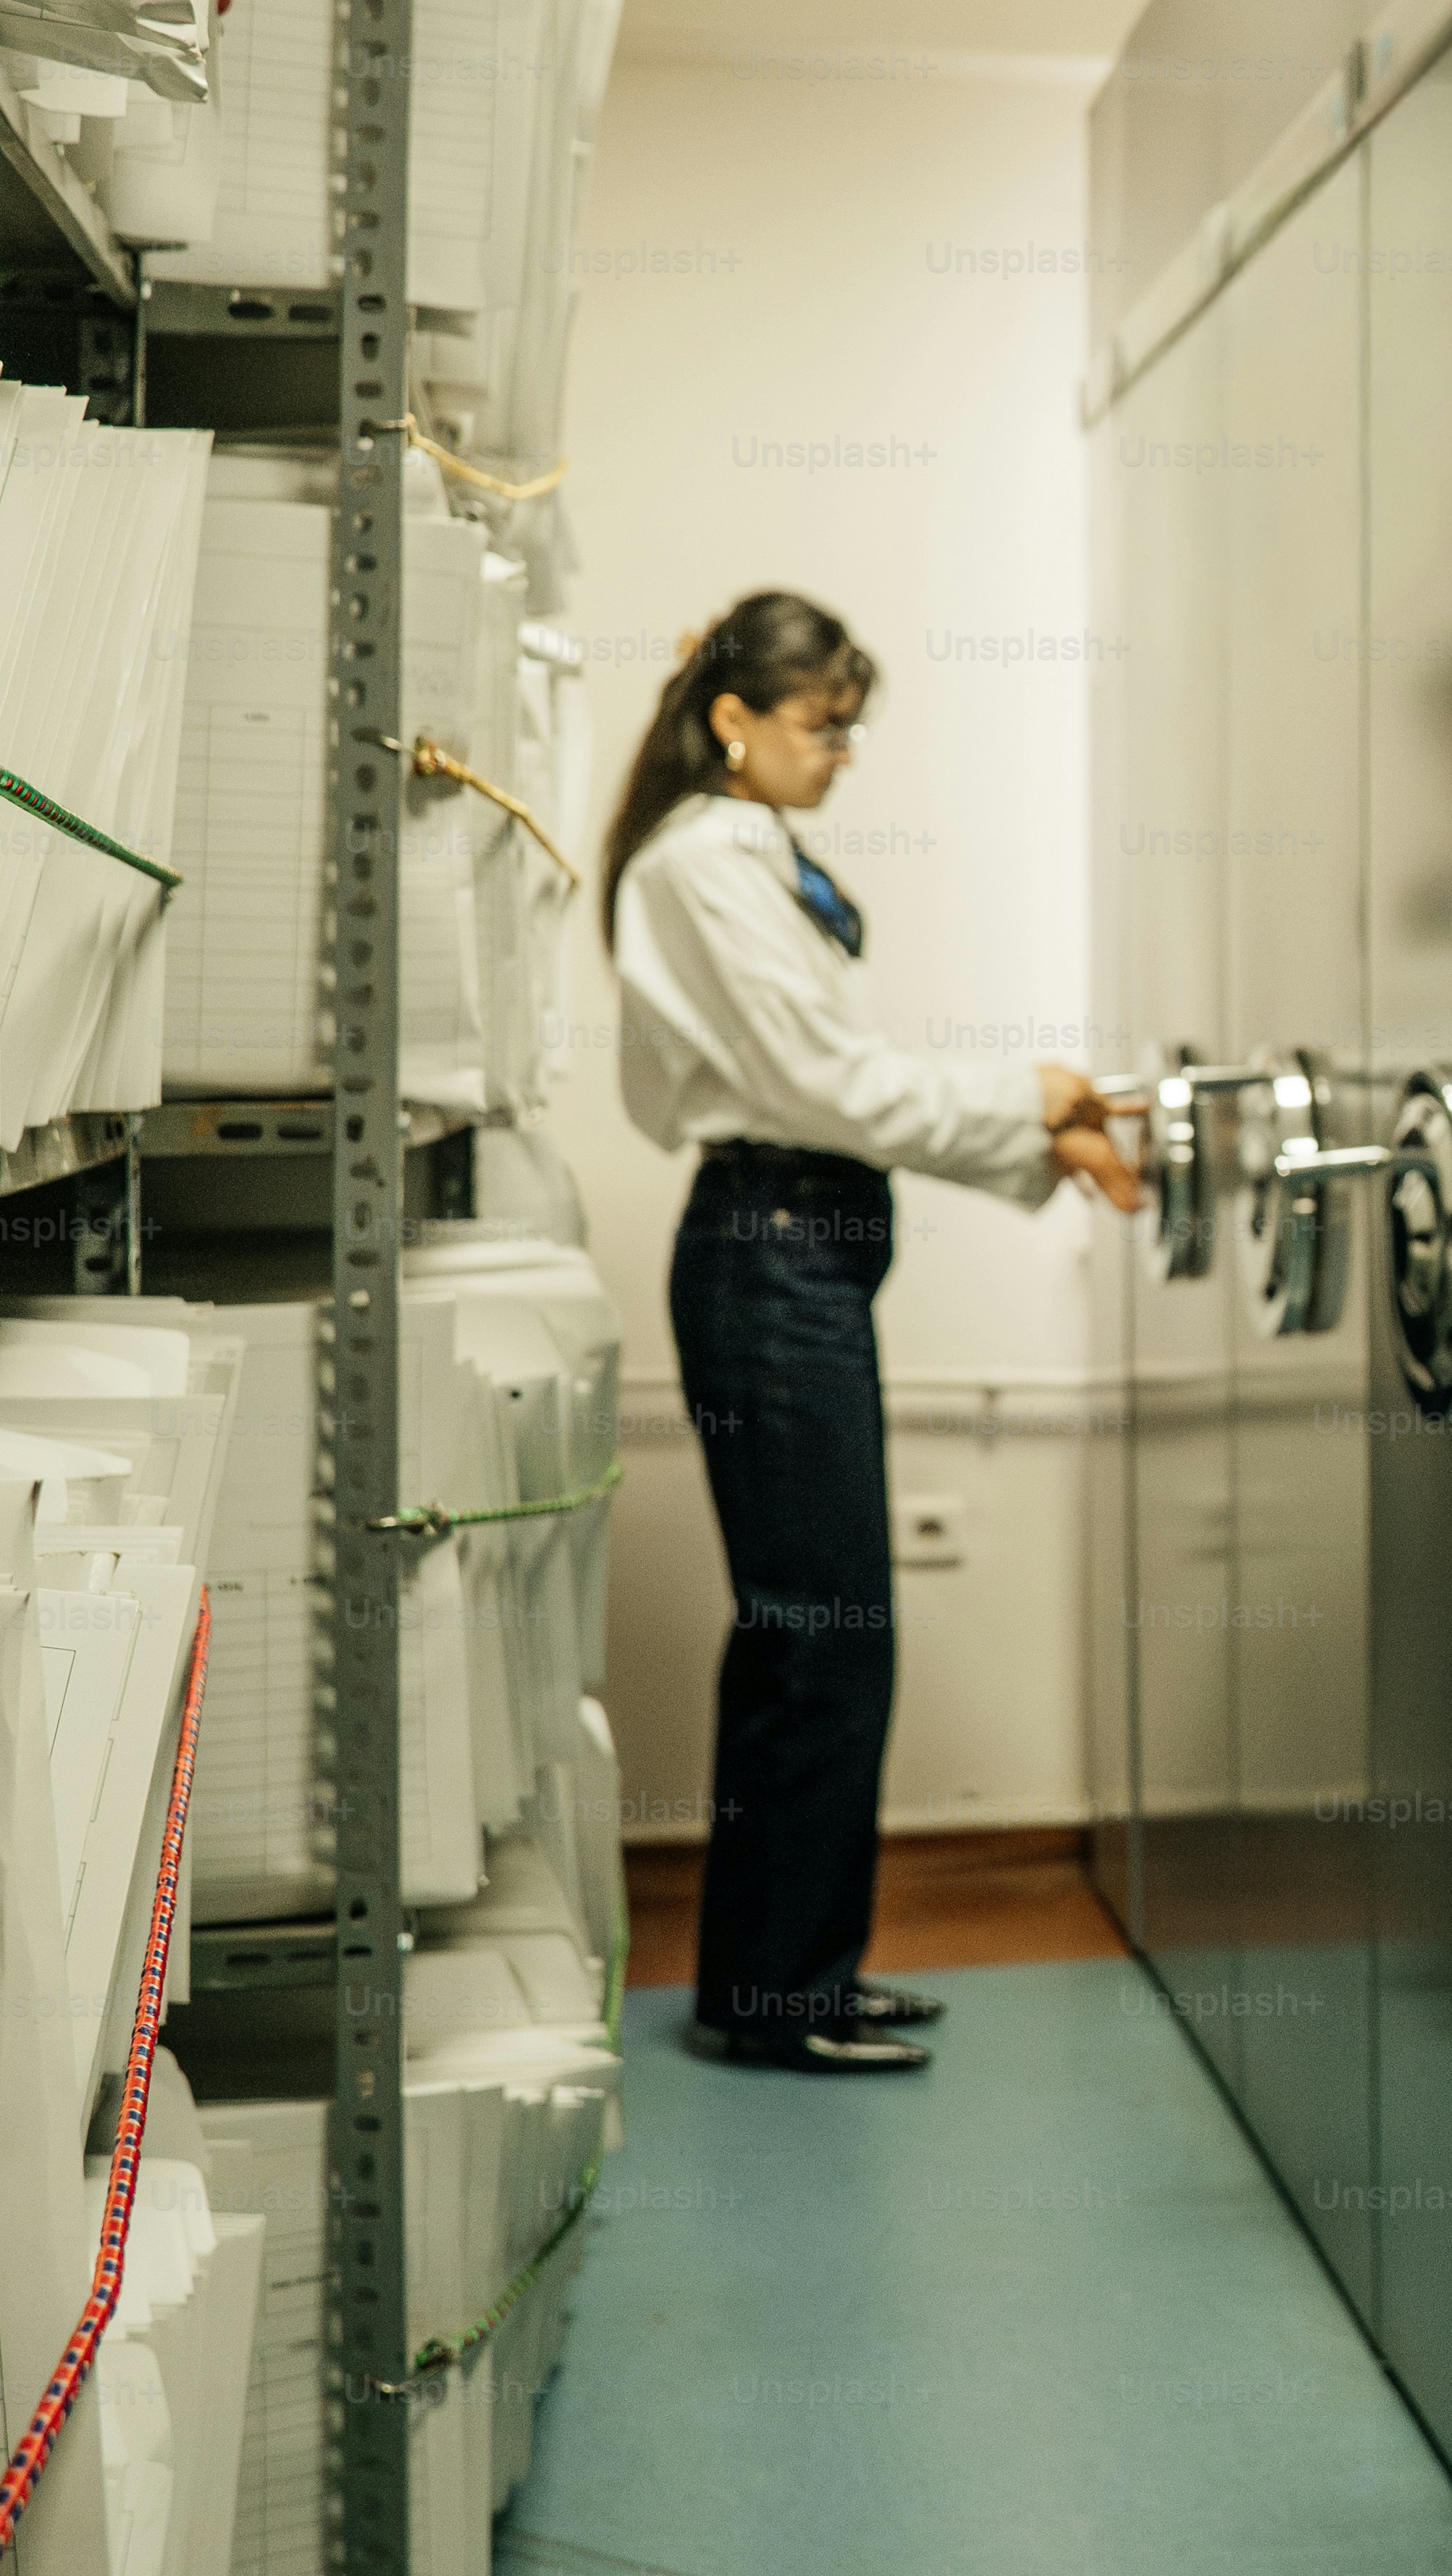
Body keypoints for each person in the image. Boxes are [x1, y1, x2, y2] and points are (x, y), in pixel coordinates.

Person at [603, 590, 1140, 2074]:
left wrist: (1052, 1141)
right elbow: (830, 1087)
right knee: (819, 1635)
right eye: (822, 727)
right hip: (768, 1256)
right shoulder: (701, 863)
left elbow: (843, 1088)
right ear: (736, 720)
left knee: (830, 1633)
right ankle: (777, 1998)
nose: (841, 757)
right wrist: (1034, 1101)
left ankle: (801, 1977)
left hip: (802, 1251)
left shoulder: (749, 854)